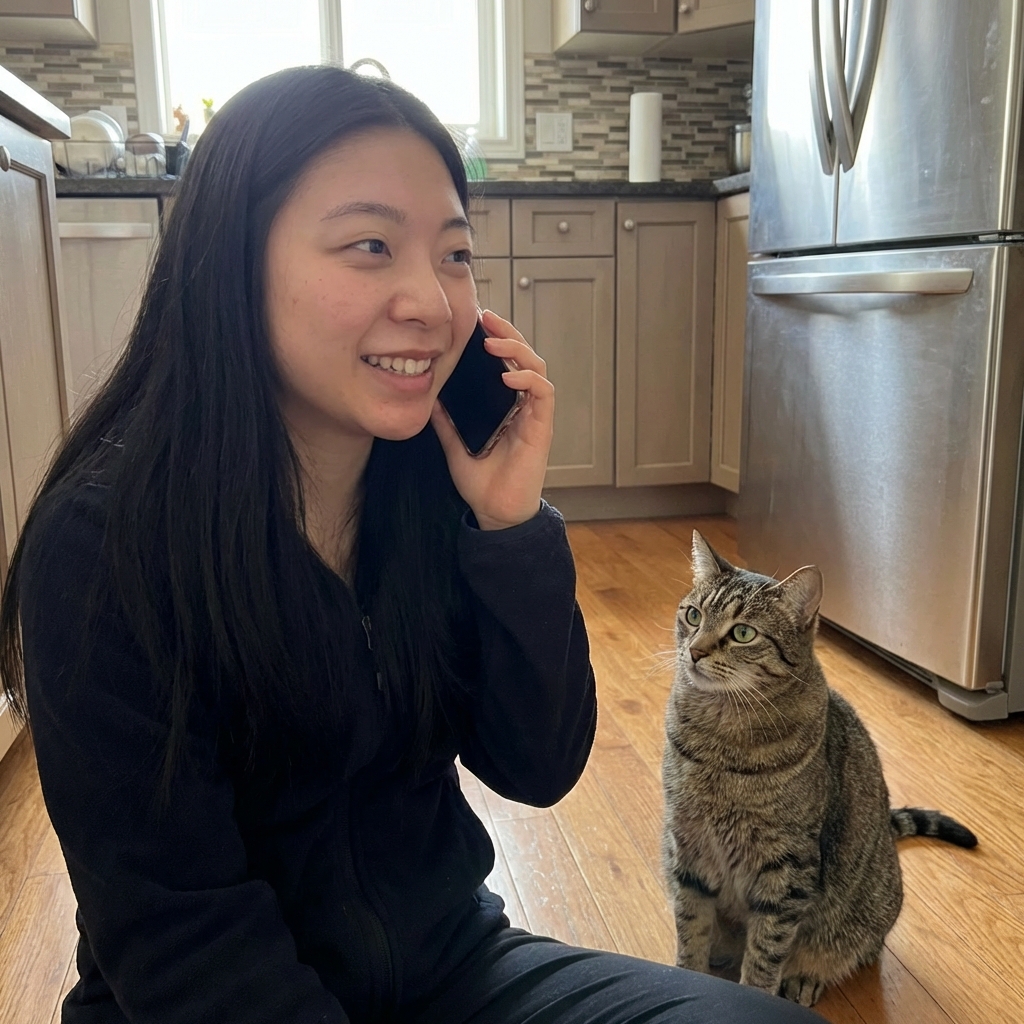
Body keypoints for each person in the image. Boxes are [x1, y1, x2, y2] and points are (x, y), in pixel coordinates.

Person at [0, 66, 821, 1024]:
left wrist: (511, 526)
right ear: (233, 261)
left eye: (456, 255)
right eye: (369, 245)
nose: (431, 301)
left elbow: (539, 764)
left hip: (452, 970)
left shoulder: (426, 485)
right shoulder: (102, 550)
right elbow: (186, 955)